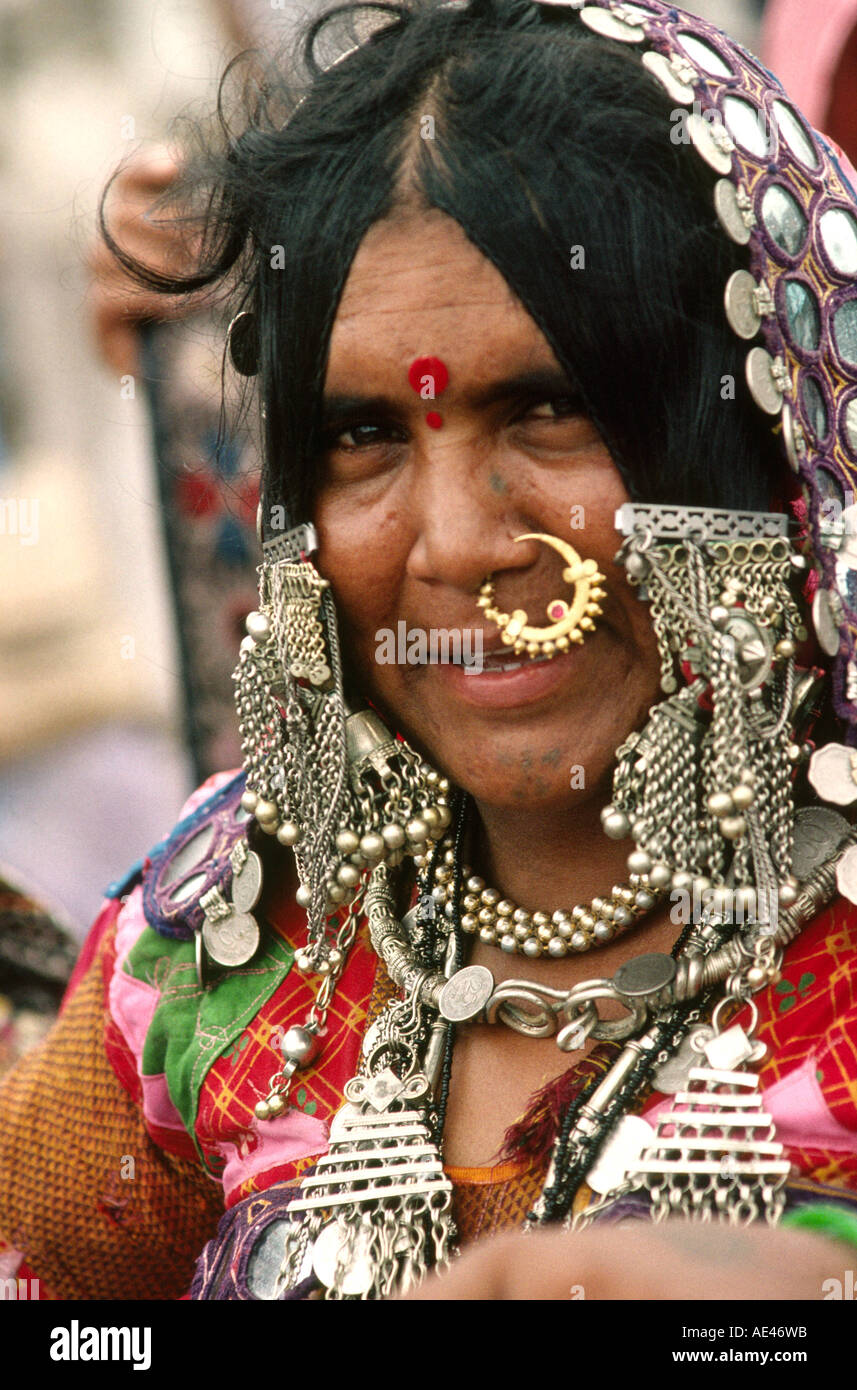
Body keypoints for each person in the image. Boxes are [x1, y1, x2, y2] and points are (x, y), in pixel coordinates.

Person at [2, 0, 857, 1301]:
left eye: (551, 409)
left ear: (762, 449)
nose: (453, 545)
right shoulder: (220, 943)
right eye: (362, 435)